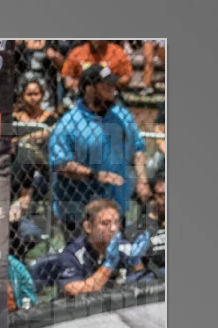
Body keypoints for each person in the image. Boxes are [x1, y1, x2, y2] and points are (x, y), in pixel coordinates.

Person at [49, 64, 149, 239]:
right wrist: (94, 175)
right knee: (82, 255)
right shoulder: (69, 123)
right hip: (80, 213)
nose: (113, 90)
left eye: (113, 84)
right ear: (90, 89)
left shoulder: (122, 116)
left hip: (116, 208)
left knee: (115, 254)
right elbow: (61, 164)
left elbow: (138, 148)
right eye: (107, 86)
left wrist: (142, 180)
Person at [55, 198, 151, 296]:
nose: (113, 228)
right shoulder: (72, 255)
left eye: (116, 222)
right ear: (88, 227)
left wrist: (136, 262)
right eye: (105, 223)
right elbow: (74, 291)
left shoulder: (124, 246)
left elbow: (142, 282)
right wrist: (108, 265)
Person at [61, 40, 133, 93]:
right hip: (83, 93)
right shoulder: (77, 52)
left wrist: (111, 84)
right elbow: (67, 77)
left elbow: (127, 76)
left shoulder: (117, 52)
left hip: (110, 93)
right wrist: (77, 83)